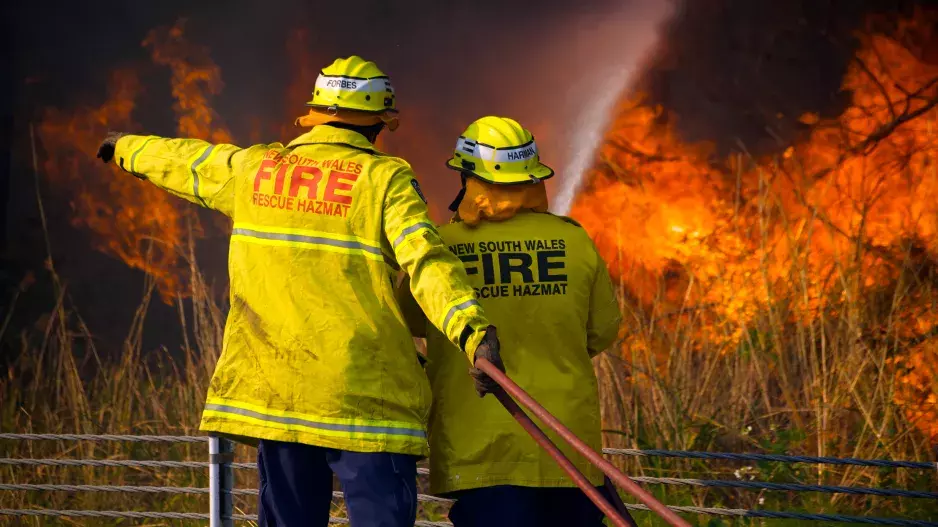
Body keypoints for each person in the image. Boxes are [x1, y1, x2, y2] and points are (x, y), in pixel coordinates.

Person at [96, 56, 504, 527]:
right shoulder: (384, 180)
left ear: (315, 114)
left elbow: (186, 160)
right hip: (366, 406)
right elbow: (427, 263)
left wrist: (124, 146)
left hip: (280, 399)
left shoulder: (253, 170)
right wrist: (473, 333)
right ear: (378, 124)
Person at [397, 116, 622, 527]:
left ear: (468, 177)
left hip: (481, 453)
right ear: (532, 176)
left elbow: (413, 321)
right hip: (566, 449)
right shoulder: (573, 239)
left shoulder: (440, 249)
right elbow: (603, 331)